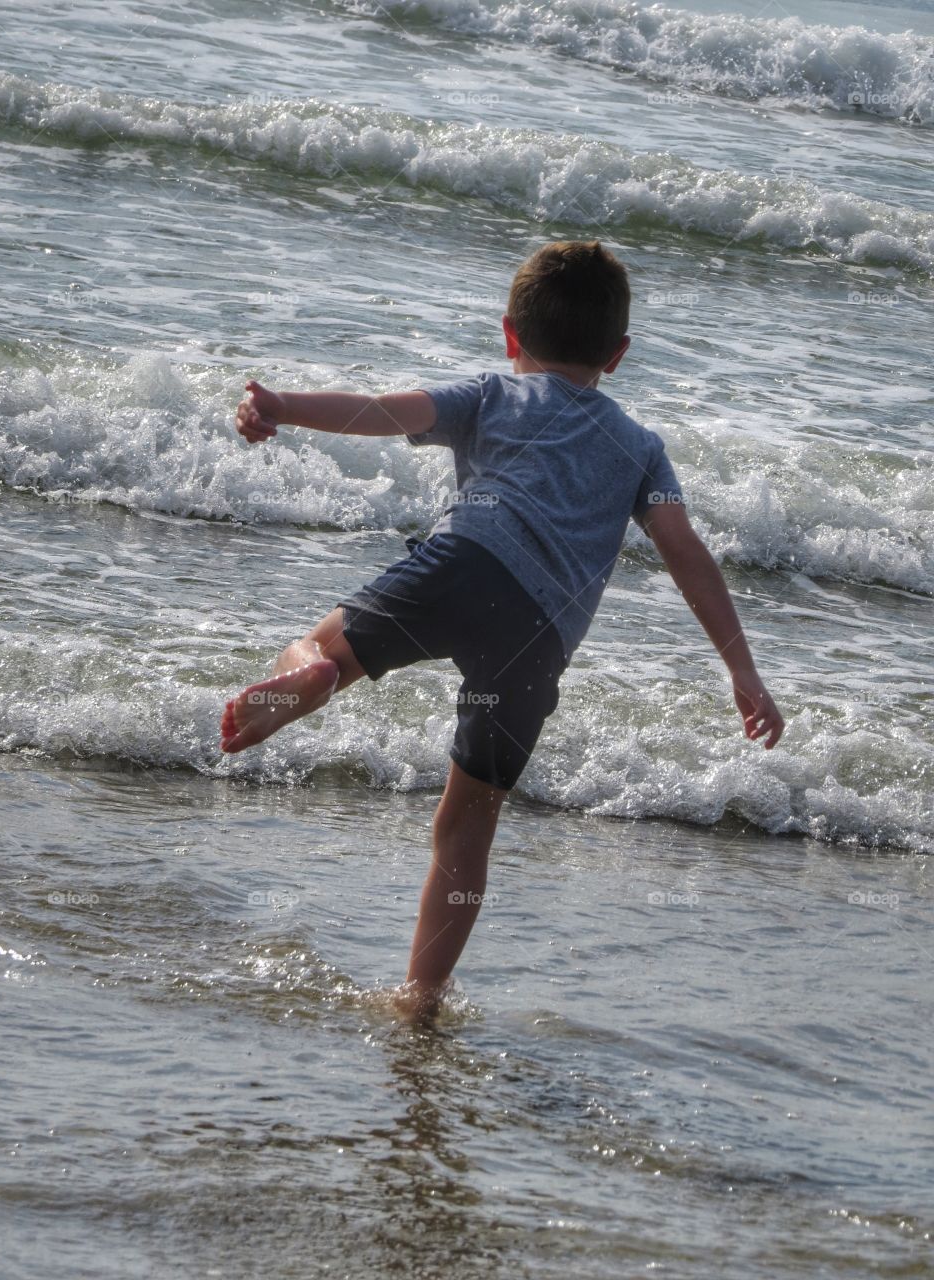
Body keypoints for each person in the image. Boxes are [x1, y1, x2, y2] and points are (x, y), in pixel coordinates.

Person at [220, 240, 784, 1018]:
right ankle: (421, 995)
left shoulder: (491, 394)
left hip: (466, 559)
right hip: (538, 639)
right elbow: (685, 551)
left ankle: (314, 677)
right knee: (468, 825)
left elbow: (382, 411)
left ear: (510, 333)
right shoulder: (642, 450)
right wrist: (742, 672)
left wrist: (282, 405)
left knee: (323, 645)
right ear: (618, 355)